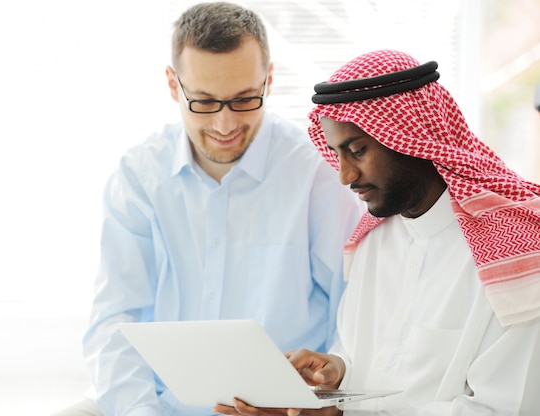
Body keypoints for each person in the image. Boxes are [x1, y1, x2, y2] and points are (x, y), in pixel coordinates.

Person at [51, 3, 362, 416]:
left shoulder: (317, 175)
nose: (225, 124)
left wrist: (321, 399)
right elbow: (114, 319)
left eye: (244, 99)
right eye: (204, 102)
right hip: (162, 405)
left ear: (268, 80)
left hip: (277, 410)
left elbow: (354, 313)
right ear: (172, 85)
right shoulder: (139, 176)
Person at [214, 49, 540, 416]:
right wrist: (337, 375)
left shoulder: (516, 254)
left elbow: (504, 408)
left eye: (357, 151)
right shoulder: (371, 241)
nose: (345, 176)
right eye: (338, 154)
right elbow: (367, 360)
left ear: (411, 136)